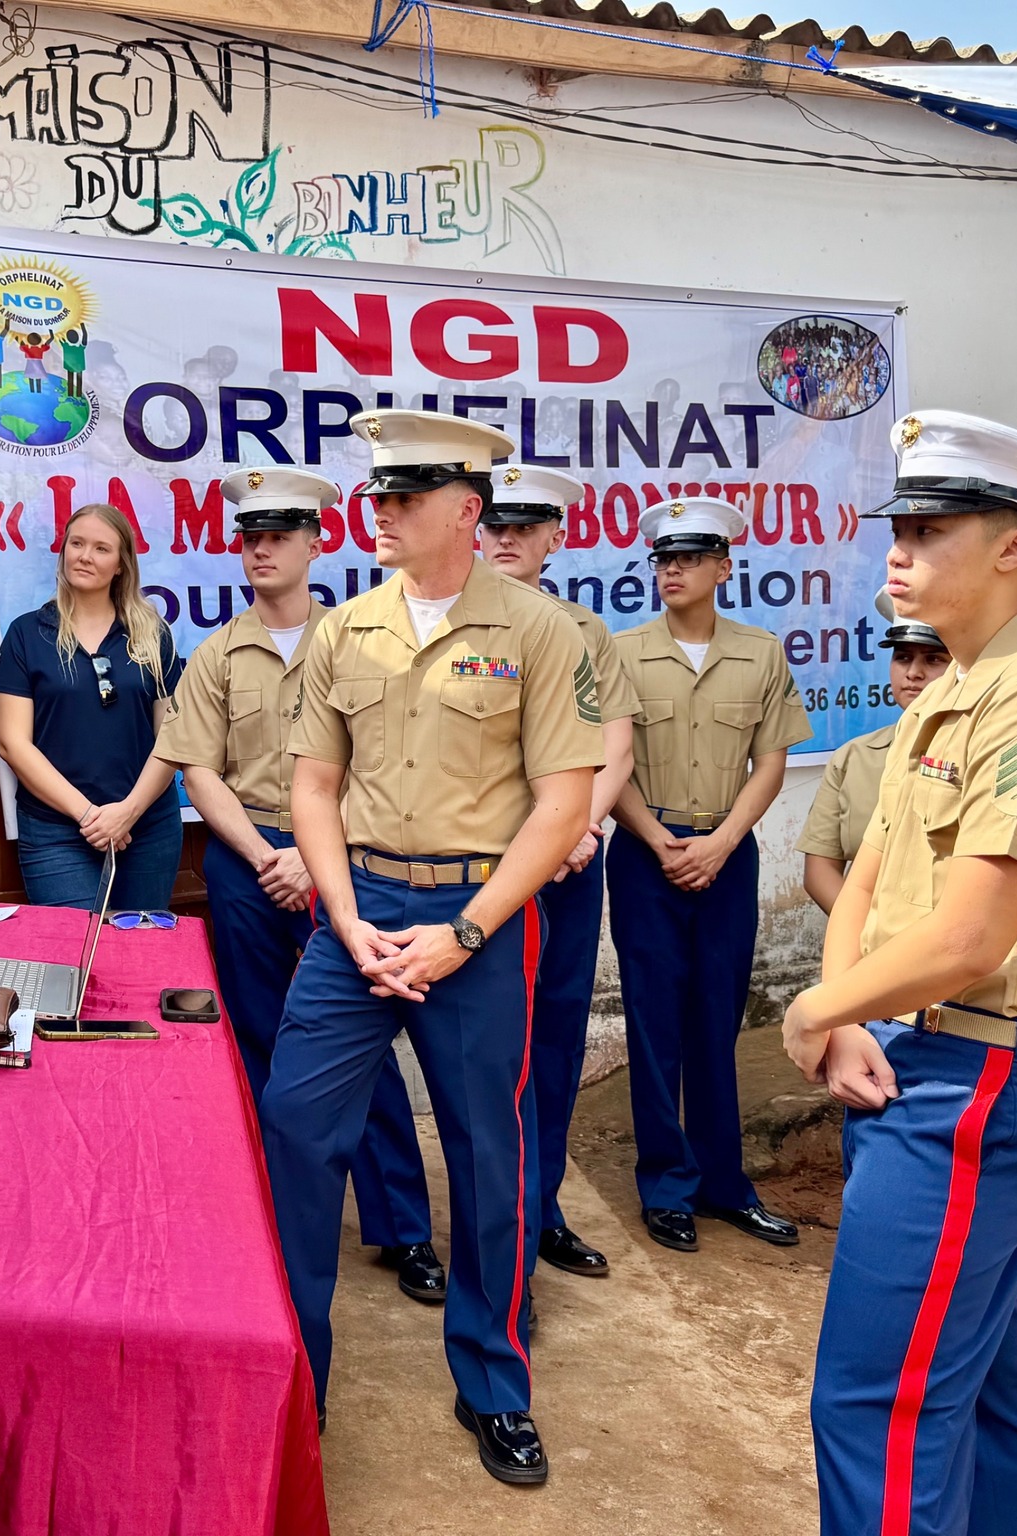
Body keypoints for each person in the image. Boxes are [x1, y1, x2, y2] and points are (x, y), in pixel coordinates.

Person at [785, 413, 1017, 1536]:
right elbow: (873, 875)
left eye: (931, 528)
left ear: (1013, 546)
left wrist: (811, 1007)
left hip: (971, 1085)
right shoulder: (954, 687)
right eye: (898, 524)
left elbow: (967, 940)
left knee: (877, 1406)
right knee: (981, 1384)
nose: (897, 548)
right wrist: (845, 1014)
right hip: (918, 1061)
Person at [262, 409, 601, 1483]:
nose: (382, 513)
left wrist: (461, 933)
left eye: (404, 498)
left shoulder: (540, 632)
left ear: (466, 510)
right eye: (379, 495)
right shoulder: (342, 630)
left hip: (479, 923)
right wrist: (341, 910)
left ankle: (492, 1383)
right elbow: (310, 786)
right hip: (353, 915)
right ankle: (289, 1378)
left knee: (489, 1157)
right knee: (293, 1132)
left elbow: (561, 804)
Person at [154, 466, 446, 1306]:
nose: (263, 550)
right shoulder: (216, 654)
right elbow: (197, 771)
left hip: (346, 863)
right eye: (250, 538)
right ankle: (275, 1226)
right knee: (261, 1044)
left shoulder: (362, 641)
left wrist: (314, 855)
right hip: (248, 864)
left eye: (281, 535)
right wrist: (264, 857)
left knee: (363, 1049)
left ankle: (404, 1229)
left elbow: (386, 762)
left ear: (319, 543)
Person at [609, 497, 812, 1255]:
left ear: (724, 567)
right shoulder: (622, 651)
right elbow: (611, 765)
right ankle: (666, 1186)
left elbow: (772, 763)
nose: (672, 571)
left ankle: (725, 1185)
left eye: (689, 559)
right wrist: (663, 841)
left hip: (727, 856)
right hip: (645, 855)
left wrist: (722, 842)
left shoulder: (759, 653)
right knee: (655, 1023)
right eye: (663, 559)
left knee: (717, 1022)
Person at [477, 464, 639, 1279]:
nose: (507, 539)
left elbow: (615, 743)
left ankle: (539, 1209)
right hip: (481, 866)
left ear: (556, 537)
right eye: (497, 524)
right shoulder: (458, 623)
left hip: (569, 867)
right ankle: (489, 1225)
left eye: (525, 526)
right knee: (486, 1049)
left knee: (556, 1037)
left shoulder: (584, 631)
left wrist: (581, 823)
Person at [0, 502, 181, 910]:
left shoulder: (152, 634)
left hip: (147, 825)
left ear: (120, 565)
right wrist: (91, 817)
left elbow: (173, 735)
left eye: (101, 548)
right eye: (76, 543)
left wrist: (128, 812)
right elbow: (12, 743)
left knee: (143, 954)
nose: (85, 556)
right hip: (56, 830)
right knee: (77, 957)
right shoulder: (26, 634)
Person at [798, 588, 952, 914]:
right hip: (863, 944)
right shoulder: (854, 757)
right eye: (903, 657)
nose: (913, 673)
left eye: (934, 659)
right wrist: (864, 939)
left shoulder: (983, 750)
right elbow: (819, 871)